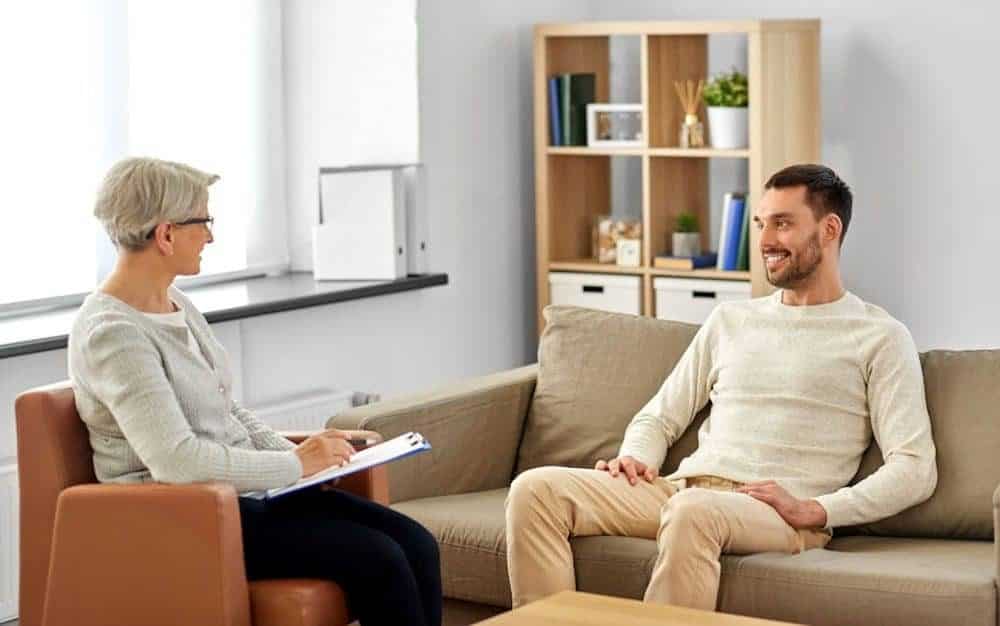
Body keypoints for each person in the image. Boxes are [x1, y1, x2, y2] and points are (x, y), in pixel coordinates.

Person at [505, 164, 938, 611]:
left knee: (694, 511)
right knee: (535, 491)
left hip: (776, 515)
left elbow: (915, 468)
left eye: (783, 223)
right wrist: (636, 458)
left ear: (829, 230)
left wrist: (819, 510)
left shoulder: (880, 336)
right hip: (682, 491)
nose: (766, 240)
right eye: (760, 224)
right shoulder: (731, 320)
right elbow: (660, 415)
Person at [68, 157, 442, 626]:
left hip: (245, 500)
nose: (211, 236)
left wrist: (300, 462)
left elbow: (224, 408)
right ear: (165, 234)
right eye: (203, 221)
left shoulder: (174, 302)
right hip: (185, 518)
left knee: (418, 544)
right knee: (381, 560)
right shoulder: (113, 333)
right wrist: (292, 465)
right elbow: (176, 461)